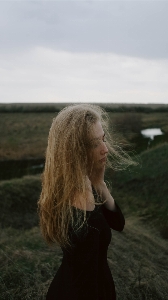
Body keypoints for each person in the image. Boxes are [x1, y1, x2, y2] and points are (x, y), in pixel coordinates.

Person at [38, 104, 135, 300]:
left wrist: (99, 182)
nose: (105, 149)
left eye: (103, 139)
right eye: (94, 143)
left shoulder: (88, 184)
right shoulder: (74, 198)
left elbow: (118, 223)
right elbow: (85, 277)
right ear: (74, 151)